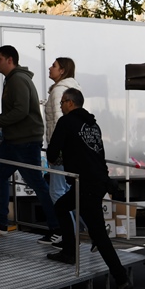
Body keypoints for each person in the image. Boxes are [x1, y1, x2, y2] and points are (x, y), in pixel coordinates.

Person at [45, 88, 133, 289]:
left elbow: (52, 153)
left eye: (62, 102)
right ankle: (69, 250)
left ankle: (121, 278)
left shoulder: (66, 122)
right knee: (61, 206)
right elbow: (97, 154)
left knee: (98, 234)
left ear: (70, 103)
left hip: (85, 184)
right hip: (98, 181)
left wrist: (61, 157)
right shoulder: (93, 125)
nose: (60, 106)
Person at [0, 45, 61, 243]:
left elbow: (21, 110)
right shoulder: (13, 79)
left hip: (24, 142)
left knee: (37, 184)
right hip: (15, 140)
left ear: (10, 60)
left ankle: (57, 228)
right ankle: (1, 221)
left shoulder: (17, 79)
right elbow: (18, 110)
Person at [44, 57, 83, 244]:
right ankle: (95, 231)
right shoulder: (72, 88)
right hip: (71, 150)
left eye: (54, 66)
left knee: (57, 193)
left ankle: (70, 237)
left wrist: (55, 150)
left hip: (60, 151)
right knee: (70, 195)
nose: (50, 68)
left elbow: (60, 123)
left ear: (62, 71)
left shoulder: (59, 91)